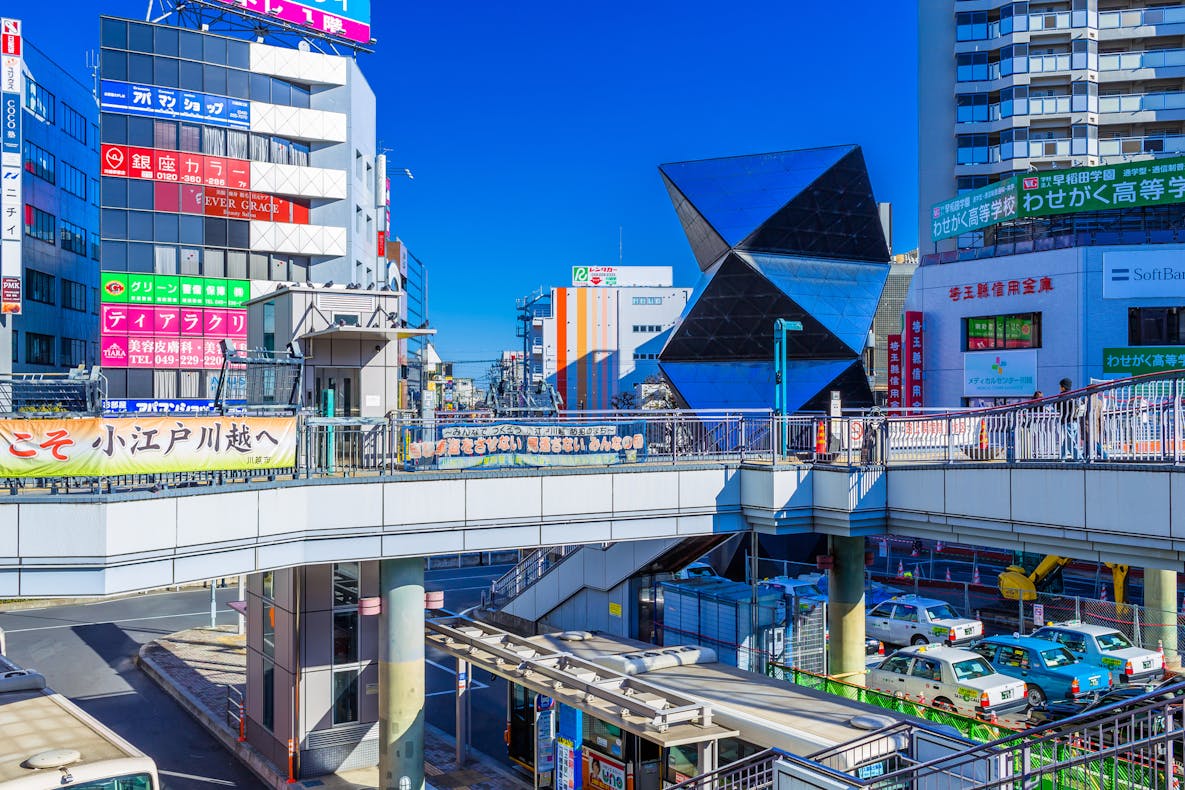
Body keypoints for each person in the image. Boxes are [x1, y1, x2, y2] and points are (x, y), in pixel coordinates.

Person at [1058, 378, 1083, 461]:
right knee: (1067, 440)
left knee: (1069, 443)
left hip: (1066, 421)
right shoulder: (1073, 395)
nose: (1059, 388)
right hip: (1074, 422)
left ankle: (1079, 459)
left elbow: (1057, 406)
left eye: (1060, 386)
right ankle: (1062, 458)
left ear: (1063, 387)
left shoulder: (1062, 396)